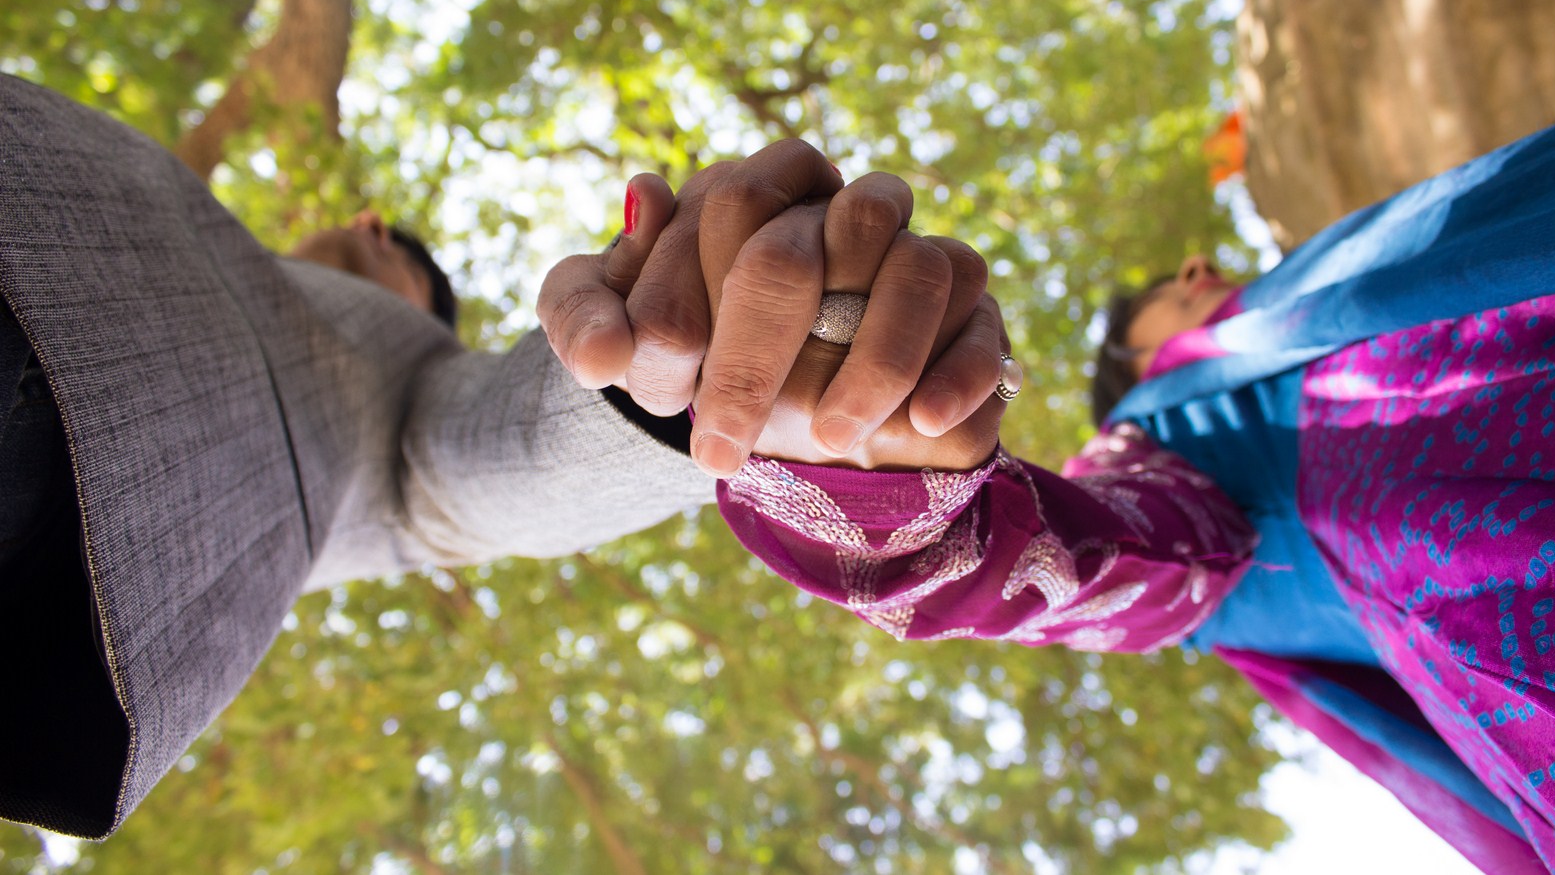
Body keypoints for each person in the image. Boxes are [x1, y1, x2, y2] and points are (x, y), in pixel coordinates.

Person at [0, 78, 997, 839]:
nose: (366, 231)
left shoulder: (410, 399)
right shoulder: (172, 209)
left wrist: (690, 376)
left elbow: (502, 448)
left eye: (400, 271)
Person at [703, 106, 1555, 874]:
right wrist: (870, 481)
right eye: (1172, 295)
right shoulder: (1157, 441)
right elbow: (1071, 558)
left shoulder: (1417, 258)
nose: (1202, 269)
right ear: (1137, 379)